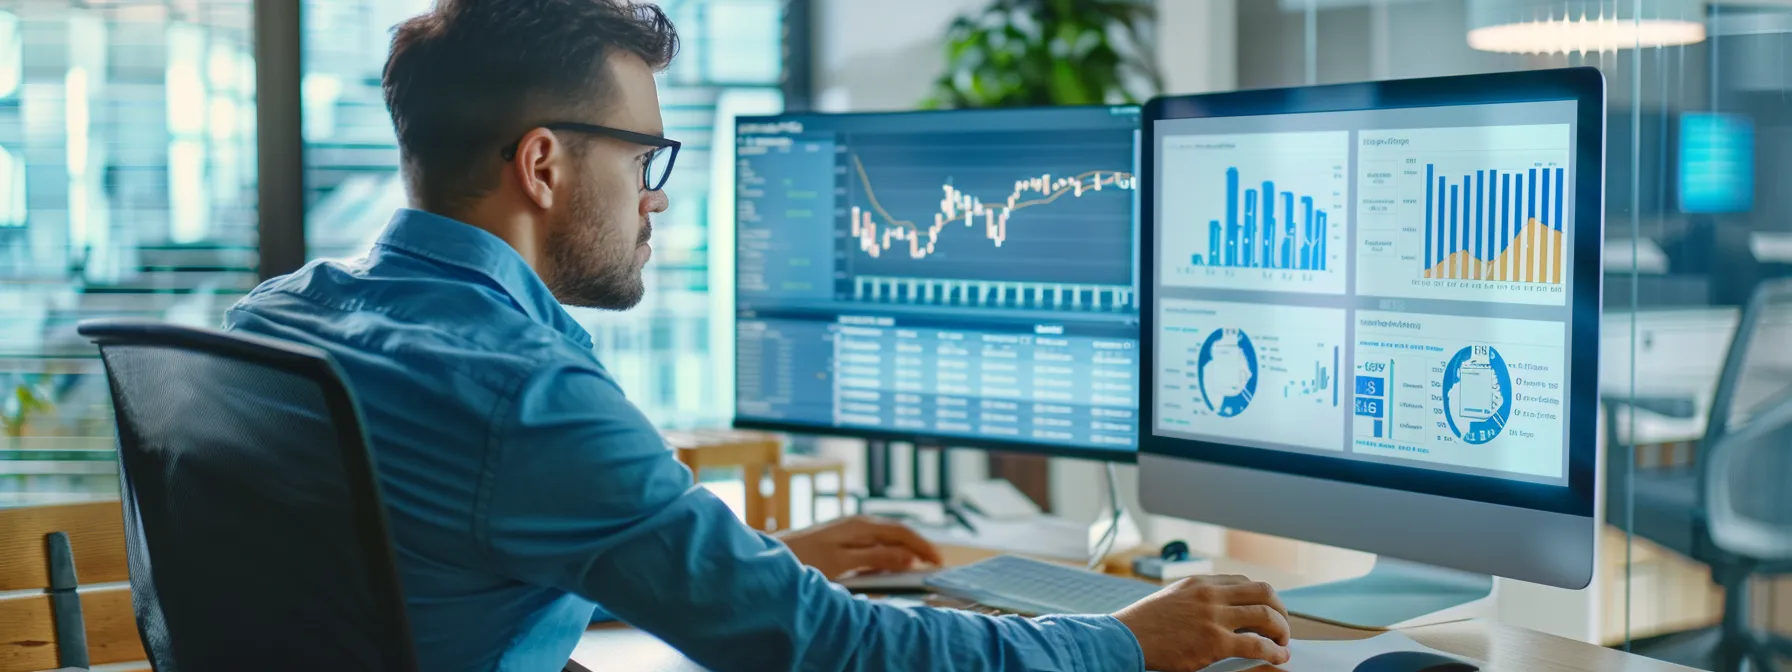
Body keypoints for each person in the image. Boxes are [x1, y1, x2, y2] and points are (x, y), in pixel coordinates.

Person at [225, 1, 1294, 670]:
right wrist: (1122, 642)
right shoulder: (525, 398)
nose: (656, 199)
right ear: (543, 165)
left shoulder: (272, 320)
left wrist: (744, 565)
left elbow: (420, 587)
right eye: (642, 158)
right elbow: (830, 650)